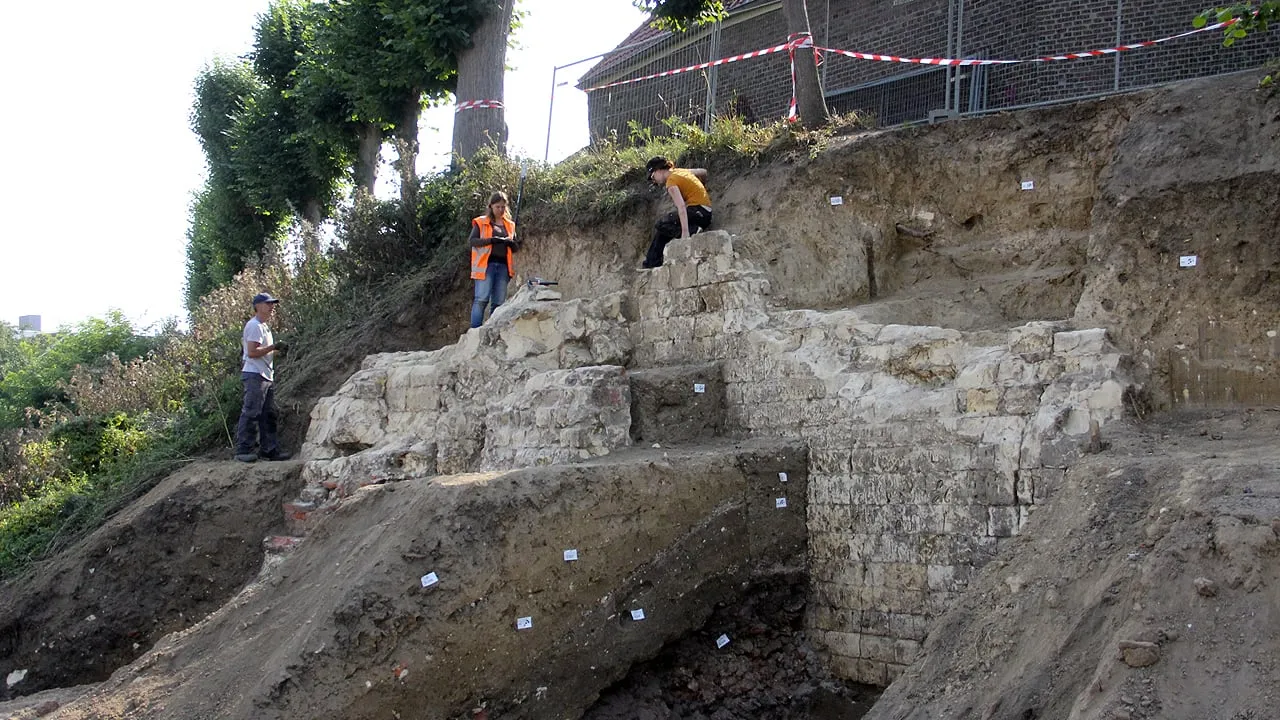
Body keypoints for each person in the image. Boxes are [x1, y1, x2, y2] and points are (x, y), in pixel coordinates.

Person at [234, 293, 290, 463]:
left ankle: (270, 450)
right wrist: (273, 347)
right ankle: (243, 450)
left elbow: (260, 351)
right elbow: (251, 352)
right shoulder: (254, 326)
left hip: (264, 375)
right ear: (257, 306)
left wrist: (275, 351)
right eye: (268, 304)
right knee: (252, 411)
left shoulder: (264, 327)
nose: (271, 307)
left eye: (272, 304)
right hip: (254, 375)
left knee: (268, 414)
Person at [642, 156, 712, 269]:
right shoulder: (681, 171)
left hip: (698, 212)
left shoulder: (671, 182)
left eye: (652, 177)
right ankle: (651, 262)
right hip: (705, 212)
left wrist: (685, 232)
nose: (653, 181)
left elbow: (681, 207)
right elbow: (703, 172)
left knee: (662, 224)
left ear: (658, 170)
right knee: (662, 231)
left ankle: (694, 229)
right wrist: (702, 188)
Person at [469, 191, 520, 328]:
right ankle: (474, 333)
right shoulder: (481, 222)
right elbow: (472, 241)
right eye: (498, 207)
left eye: (503, 207)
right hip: (486, 266)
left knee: (498, 303)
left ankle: (493, 331)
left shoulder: (510, 225)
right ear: (491, 206)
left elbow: (515, 248)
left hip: (503, 267)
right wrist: (492, 240)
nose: (501, 210)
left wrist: (511, 243)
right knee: (481, 300)